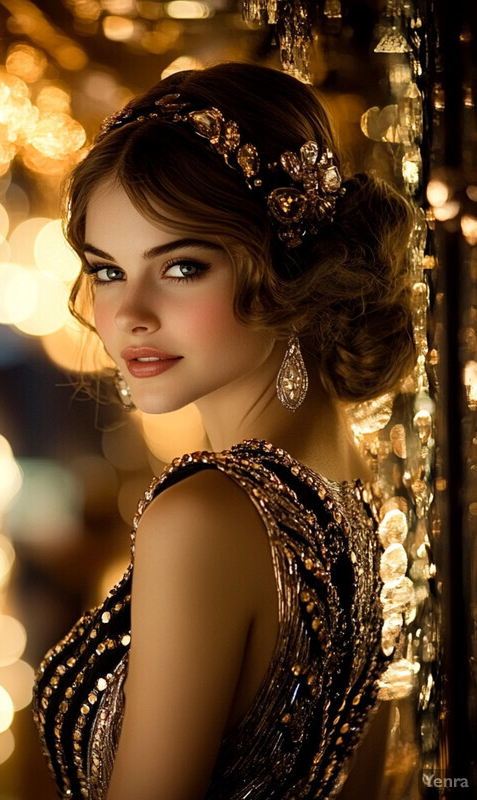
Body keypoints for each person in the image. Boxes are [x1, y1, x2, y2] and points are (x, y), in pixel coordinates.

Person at [32, 61, 415, 800]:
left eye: (180, 267)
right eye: (106, 270)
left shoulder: (203, 516)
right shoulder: (354, 492)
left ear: (283, 268)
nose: (129, 314)